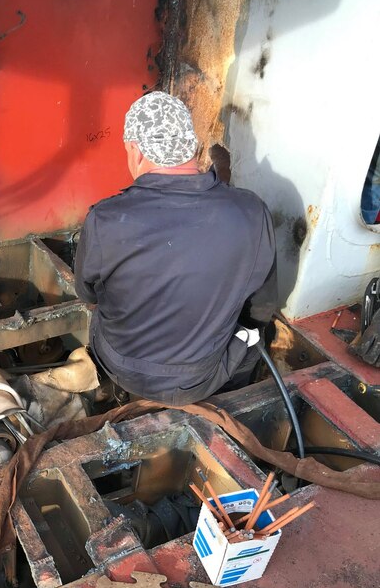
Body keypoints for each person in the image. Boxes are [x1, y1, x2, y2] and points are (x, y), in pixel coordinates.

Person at [74, 91, 276, 405]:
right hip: (201, 379)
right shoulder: (251, 211)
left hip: (122, 369)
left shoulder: (106, 219)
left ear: (136, 151)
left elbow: (88, 296)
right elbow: (261, 307)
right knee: (254, 337)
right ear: (192, 147)